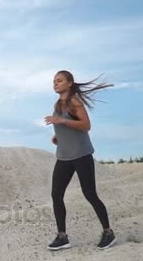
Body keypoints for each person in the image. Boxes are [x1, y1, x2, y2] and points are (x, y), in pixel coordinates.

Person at [43, 70, 116, 251]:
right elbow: (66, 125)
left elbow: (85, 125)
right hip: (64, 156)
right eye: (54, 81)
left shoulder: (74, 101)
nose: (55, 83)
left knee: (90, 194)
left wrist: (60, 121)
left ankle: (108, 232)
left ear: (69, 83)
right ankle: (62, 236)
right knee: (56, 194)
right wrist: (58, 137)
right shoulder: (58, 104)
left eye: (59, 81)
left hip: (82, 155)